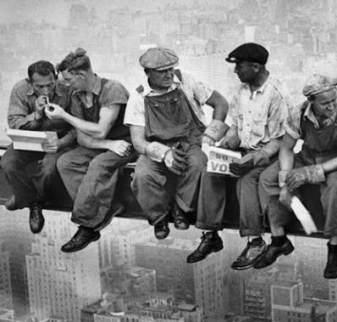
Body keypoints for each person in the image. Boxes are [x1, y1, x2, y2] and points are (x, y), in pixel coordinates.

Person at [186, 43, 290, 270]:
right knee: (210, 170)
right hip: (243, 150)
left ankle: (255, 241)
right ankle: (210, 234)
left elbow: (279, 141)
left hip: (268, 155)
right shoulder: (241, 91)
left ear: (256, 67)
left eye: (239, 66)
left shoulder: (277, 95)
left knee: (247, 179)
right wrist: (225, 145)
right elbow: (235, 128)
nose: (236, 71)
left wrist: (253, 159)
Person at [259, 74, 337, 278]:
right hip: (307, 156)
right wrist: (285, 183)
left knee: (335, 188)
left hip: (333, 163)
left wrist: (307, 174)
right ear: (311, 101)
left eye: (333, 100)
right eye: (325, 103)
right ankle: (279, 238)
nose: (331, 106)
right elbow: (286, 149)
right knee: (268, 178)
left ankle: (334, 246)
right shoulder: (298, 113)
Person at [125, 47, 230, 242]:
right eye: (162, 71)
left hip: (190, 142)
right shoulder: (138, 96)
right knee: (142, 175)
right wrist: (164, 154)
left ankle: (181, 208)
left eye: (170, 69)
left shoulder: (186, 81)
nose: (169, 74)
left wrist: (210, 135)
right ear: (148, 73)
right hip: (157, 146)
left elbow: (221, 103)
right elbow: (138, 141)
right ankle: (159, 217)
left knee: (199, 165)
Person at [47, 48, 135, 252]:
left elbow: (100, 130)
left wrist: (65, 116)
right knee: (66, 162)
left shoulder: (112, 89)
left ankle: (87, 226)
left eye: (69, 80)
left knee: (99, 164)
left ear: (81, 74)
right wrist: (107, 145)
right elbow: (82, 137)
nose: (66, 84)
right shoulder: (77, 96)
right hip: (106, 145)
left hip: (126, 144)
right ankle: (105, 208)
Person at [1, 60, 76, 234]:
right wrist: (37, 114)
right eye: (39, 87)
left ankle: (23, 197)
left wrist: (61, 143)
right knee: (8, 163)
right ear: (30, 83)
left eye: (50, 85)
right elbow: (14, 123)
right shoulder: (20, 89)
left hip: (58, 141)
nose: (46, 91)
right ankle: (32, 202)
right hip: (28, 140)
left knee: (49, 169)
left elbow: (77, 126)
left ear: (55, 78)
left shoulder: (68, 89)